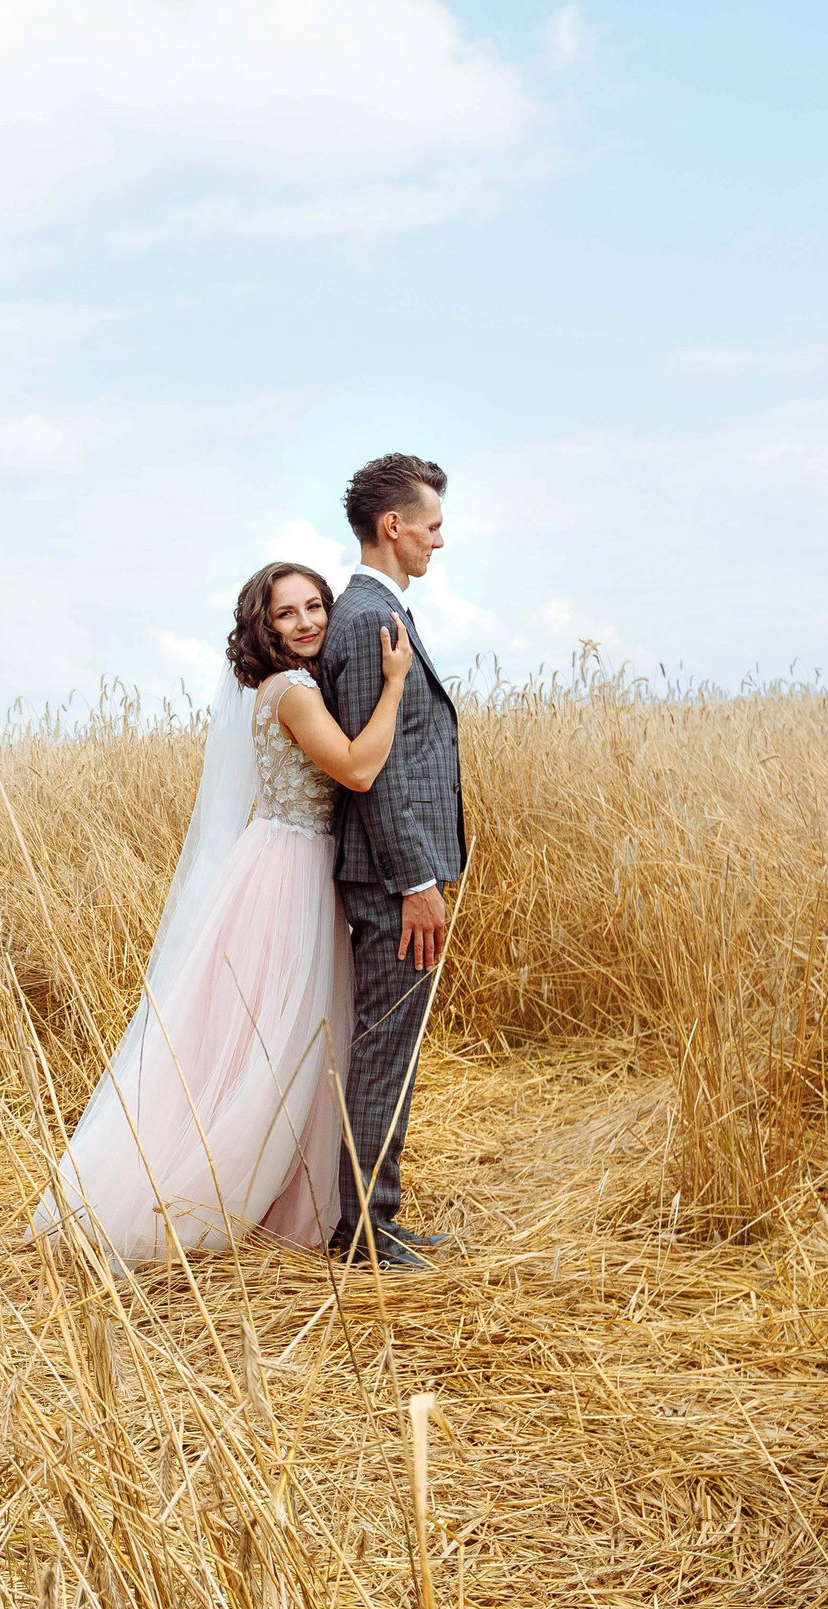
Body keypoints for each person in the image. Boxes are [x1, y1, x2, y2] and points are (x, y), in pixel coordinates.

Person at [30, 560, 414, 1270]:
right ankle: (208, 1192)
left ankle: (280, 1193)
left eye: (313, 607)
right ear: (263, 628)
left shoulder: (284, 687)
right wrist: (393, 684)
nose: (306, 622)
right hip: (289, 870)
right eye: (286, 614)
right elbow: (358, 768)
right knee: (280, 1034)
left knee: (282, 1033)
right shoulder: (295, 690)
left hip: (285, 861)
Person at [319, 453, 467, 1270]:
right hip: (389, 882)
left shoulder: (381, 611)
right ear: (394, 527)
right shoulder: (368, 618)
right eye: (433, 526)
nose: (439, 542)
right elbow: (375, 775)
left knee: (394, 1050)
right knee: (383, 1053)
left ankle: (381, 1215)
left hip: (397, 877)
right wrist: (416, 882)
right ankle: (364, 1231)